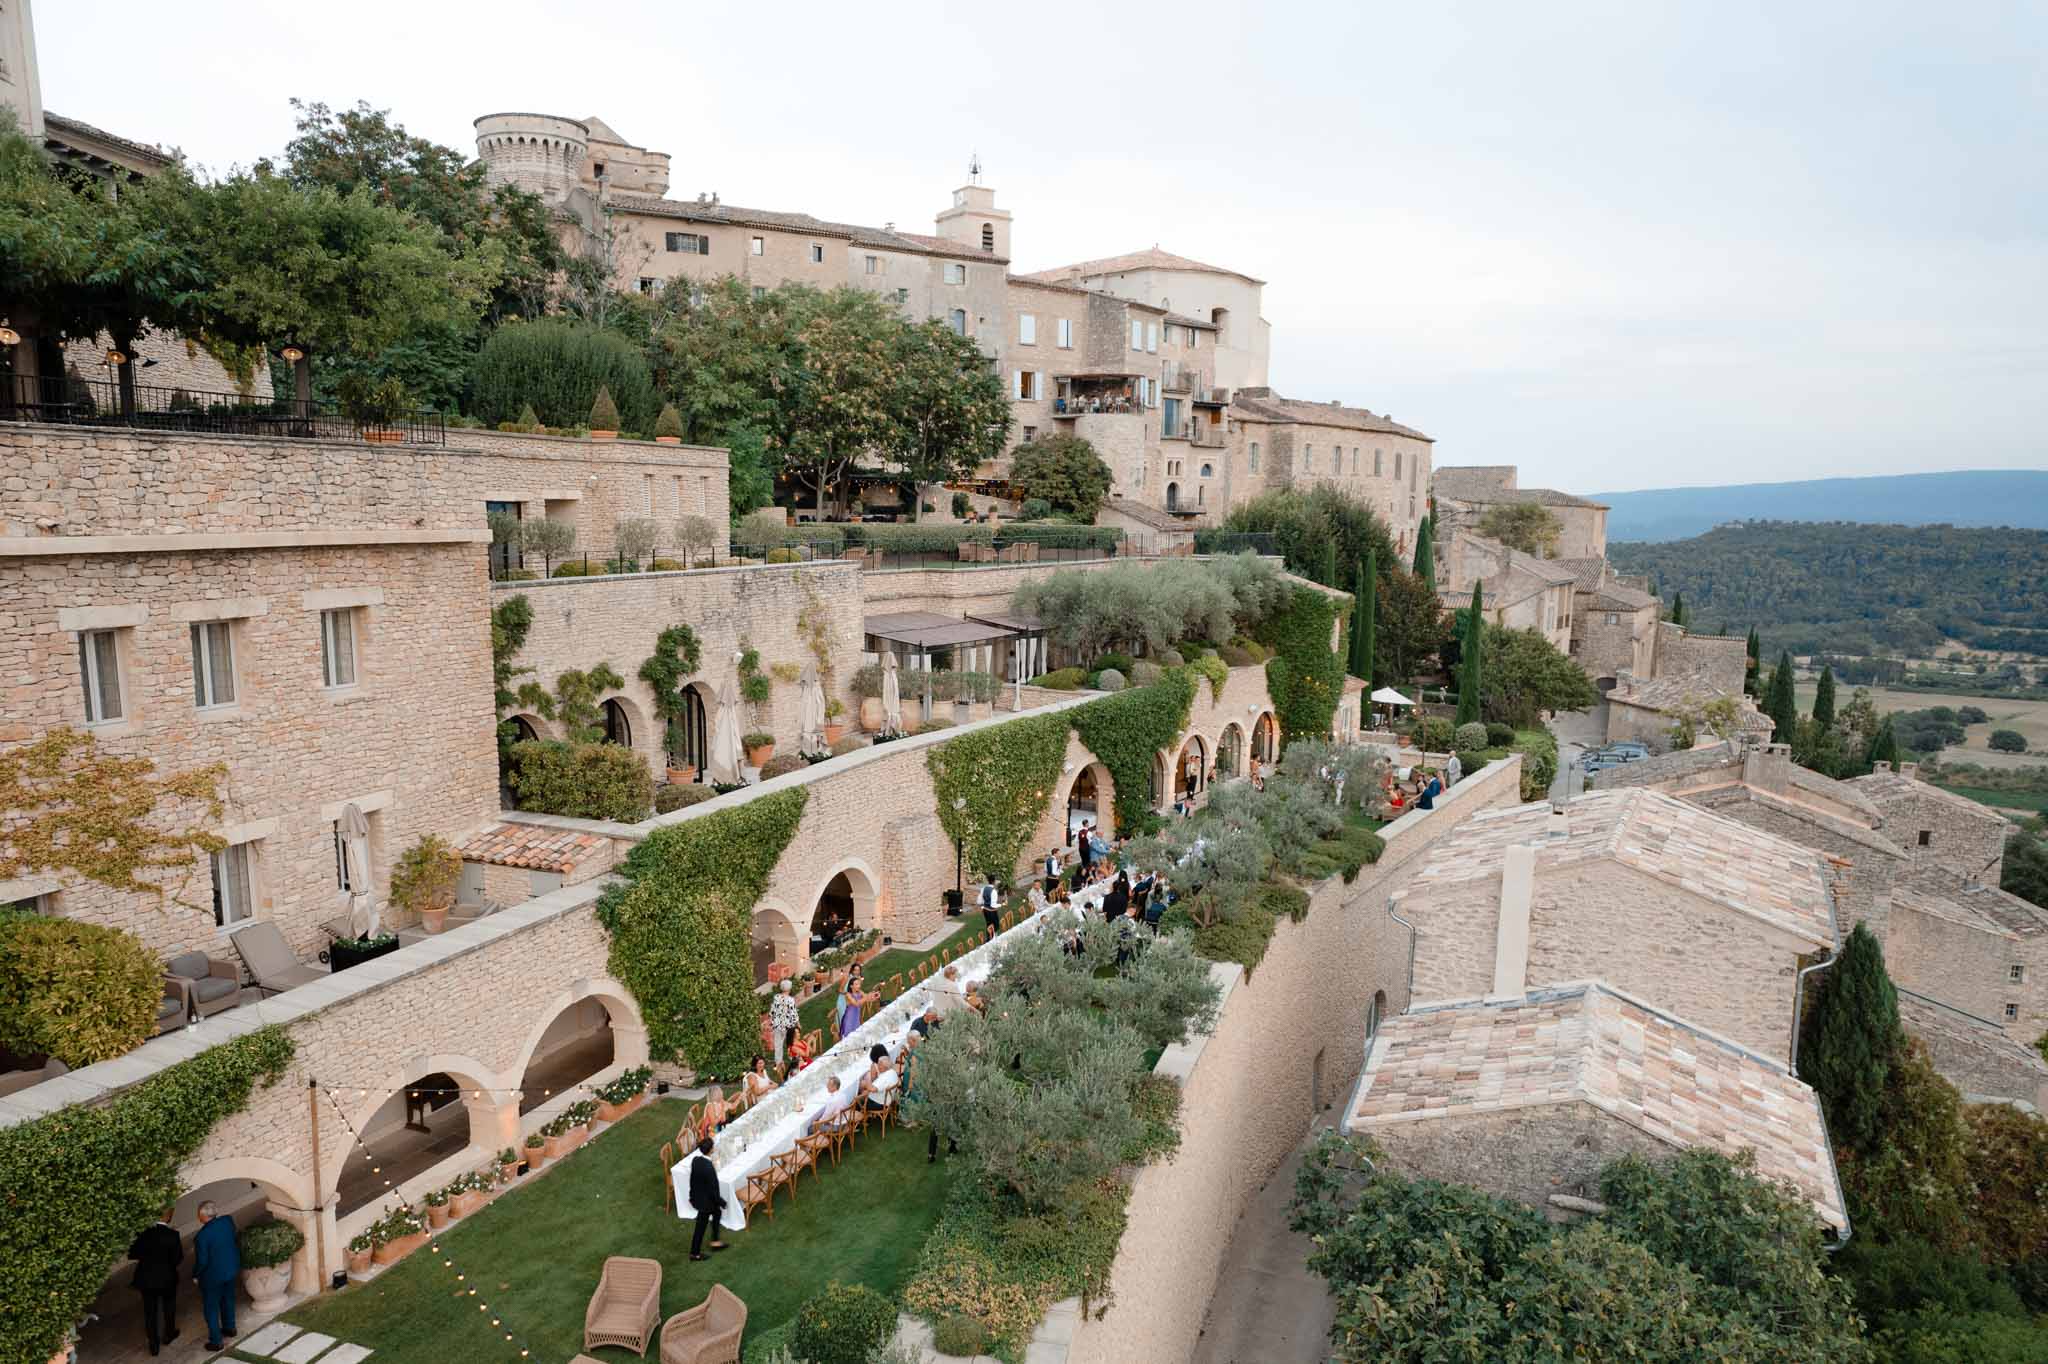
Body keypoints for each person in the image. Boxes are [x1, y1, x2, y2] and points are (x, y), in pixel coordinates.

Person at [128, 1208, 182, 1356]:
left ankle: (153, 1345)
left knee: (150, 1312)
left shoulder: (143, 1234)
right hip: (167, 1278)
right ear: (169, 1217)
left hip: (147, 1279)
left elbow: (132, 1254)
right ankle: (169, 1334)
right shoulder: (173, 1235)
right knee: (169, 1308)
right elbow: (178, 1259)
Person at [192, 1200, 239, 1350]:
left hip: (213, 1277)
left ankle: (216, 1341)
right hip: (230, 1269)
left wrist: (195, 1274)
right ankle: (230, 1328)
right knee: (228, 1299)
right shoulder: (227, 1221)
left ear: (202, 1216)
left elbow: (202, 1261)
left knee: (211, 1308)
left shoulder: (201, 1236)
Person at [686, 1136, 728, 1261]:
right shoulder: (709, 1168)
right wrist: (722, 1202)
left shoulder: (696, 1160)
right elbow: (713, 1191)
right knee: (701, 1226)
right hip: (705, 1202)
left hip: (697, 1197)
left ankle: (715, 1241)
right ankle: (695, 1253)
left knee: (717, 1212)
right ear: (711, 1150)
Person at [769, 979, 799, 1069]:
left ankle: (778, 1062)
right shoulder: (790, 1000)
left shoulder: (776, 997)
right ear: (789, 989)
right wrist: (797, 1023)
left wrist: (773, 1021)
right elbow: (793, 1013)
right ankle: (791, 1058)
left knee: (778, 1044)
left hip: (777, 1025)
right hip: (788, 1026)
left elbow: (772, 1011)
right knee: (790, 1043)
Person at [835, 973, 869, 1040]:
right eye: (856, 984)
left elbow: (867, 998)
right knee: (849, 1038)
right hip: (849, 1020)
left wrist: (871, 996)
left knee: (856, 1036)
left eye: (859, 984)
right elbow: (856, 1003)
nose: (858, 986)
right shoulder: (848, 995)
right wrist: (866, 997)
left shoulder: (859, 992)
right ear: (851, 986)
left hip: (856, 1018)